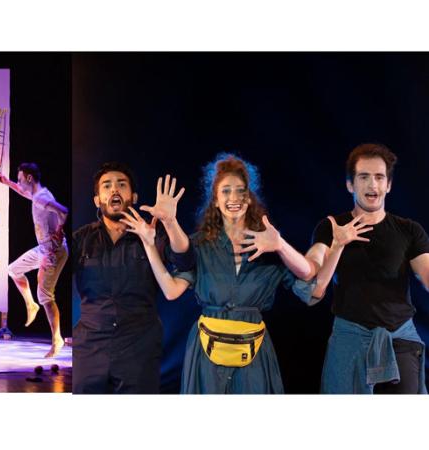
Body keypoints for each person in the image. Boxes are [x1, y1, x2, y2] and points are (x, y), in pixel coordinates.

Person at [120, 154, 317, 394]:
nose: (233, 198)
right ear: (215, 200)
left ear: (249, 198)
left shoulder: (269, 246)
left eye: (240, 191)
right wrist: (152, 243)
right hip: (207, 356)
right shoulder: (201, 245)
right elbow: (171, 290)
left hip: (253, 355)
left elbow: (309, 282)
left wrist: (280, 245)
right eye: (226, 191)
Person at [305, 143, 429, 394]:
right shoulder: (331, 227)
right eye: (364, 177)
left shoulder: (409, 230)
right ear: (350, 185)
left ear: (388, 185)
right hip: (350, 339)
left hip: (398, 337)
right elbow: (314, 288)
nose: (372, 184)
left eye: (379, 177)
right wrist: (338, 244)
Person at [72, 162, 193, 394]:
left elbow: (185, 260)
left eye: (121, 185)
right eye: (106, 186)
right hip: (89, 346)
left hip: (139, 347)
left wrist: (170, 222)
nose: (114, 189)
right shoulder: (81, 239)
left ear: (133, 197)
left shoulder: (151, 235)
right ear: (97, 200)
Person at [0, 163, 68, 357]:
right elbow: (23, 192)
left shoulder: (42, 197)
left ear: (29, 178)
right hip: (42, 249)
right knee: (14, 269)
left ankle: (57, 339)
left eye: (20, 179)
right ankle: (31, 304)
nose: (19, 183)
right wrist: (7, 182)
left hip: (53, 251)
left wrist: (59, 230)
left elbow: (64, 211)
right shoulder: (37, 195)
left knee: (45, 295)